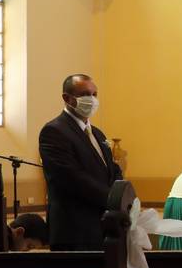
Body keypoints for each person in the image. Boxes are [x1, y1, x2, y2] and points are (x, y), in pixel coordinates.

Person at [38, 74, 122, 251]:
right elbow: (72, 179)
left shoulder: (98, 134)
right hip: (73, 231)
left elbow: (113, 170)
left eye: (94, 94)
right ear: (67, 98)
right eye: (85, 94)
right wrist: (113, 200)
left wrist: (123, 194)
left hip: (102, 227)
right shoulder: (54, 131)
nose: (91, 99)